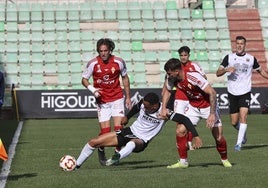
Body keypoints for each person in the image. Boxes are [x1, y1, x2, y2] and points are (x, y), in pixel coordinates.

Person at [74, 92, 202, 169]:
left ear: (155, 105)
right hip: (129, 131)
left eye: (147, 107)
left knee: (131, 144)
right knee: (94, 142)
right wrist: (127, 117)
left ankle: (117, 157)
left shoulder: (164, 112)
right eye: (144, 105)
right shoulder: (143, 103)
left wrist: (195, 136)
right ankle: (76, 166)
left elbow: (185, 119)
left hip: (141, 140)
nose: (144, 108)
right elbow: (136, 106)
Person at [161, 58, 232, 168]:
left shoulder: (193, 77)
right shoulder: (172, 79)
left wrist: (212, 114)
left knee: (218, 137)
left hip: (208, 107)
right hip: (193, 107)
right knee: (180, 130)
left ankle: (224, 159)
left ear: (176, 71)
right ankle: (183, 162)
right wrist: (163, 108)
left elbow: (212, 93)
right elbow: (168, 91)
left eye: (169, 73)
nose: (168, 75)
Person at [81, 38, 132, 165]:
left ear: (110, 50)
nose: (103, 53)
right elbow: (84, 80)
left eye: (105, 50)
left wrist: (128, 97)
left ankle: (116, 155)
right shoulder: (93, 63)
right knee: (105, 132)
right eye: (101, 51)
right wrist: (93, 90)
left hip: (117, 98)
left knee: (119, 129)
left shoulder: (119, 62)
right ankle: (101, 148)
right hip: (102, 101)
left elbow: (125, 78)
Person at [216, 36, 268, 151]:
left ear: (245, 45)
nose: (239, 45)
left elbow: (261, 71)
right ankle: (243, 134)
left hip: (245, 92)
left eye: (242, 44)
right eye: (238, 43)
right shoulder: (228, 58)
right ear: (235, 45)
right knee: (234, 122)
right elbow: (217, 73)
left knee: (243, 117)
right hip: (232, 92)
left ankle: (238, 144)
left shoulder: (251, 59)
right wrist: (226, 70)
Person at [173, 46, 206, 150]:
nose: (183, 57)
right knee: (179, 120)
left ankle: (189, 142)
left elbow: (204, 78)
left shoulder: (194, 66)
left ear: (189, 55)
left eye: (185, 55)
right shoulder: (176, 66)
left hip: (191, 98)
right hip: (180, 97)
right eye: (181, 55)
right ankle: (180, 141)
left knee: (191, 121)